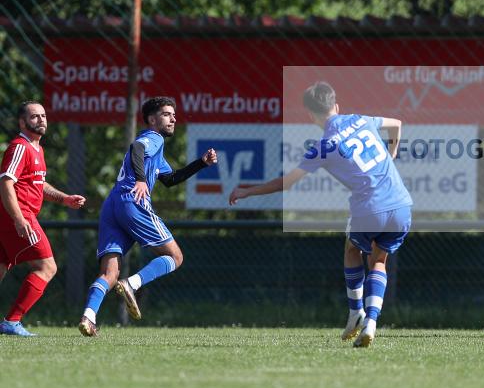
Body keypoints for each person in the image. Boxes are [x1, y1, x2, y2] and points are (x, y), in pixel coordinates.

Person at [229, 82, 412, 348]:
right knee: (379, 260)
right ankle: (371, 322)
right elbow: (396, 124)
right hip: (402, 204)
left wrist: (248, 191)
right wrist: (391, 152)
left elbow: (287, 183)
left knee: (352, 249)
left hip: (370, 208)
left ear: (311, 115)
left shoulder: (324, 146)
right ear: (336, 105)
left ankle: (356, 312)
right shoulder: (361, 119)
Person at [78, 97, 217, 336]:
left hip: (112, 204)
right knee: (175, 257)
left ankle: (88, 317)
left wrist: (201, 164)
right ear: (152, 120)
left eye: (174, 115)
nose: (173, 119)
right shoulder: (153, 138)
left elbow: (170, 179)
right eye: (166, 114)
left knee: (109, 273)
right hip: (132, 200)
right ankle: (131, 284)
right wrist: (141, 180)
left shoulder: (156, 150)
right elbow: (137, 148)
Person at [0, 102, 85, 336]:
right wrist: (18, 219)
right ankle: (12, 321)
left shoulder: (37, 149)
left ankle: (11, 322)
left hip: (13, 216)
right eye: (34, 116)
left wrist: (64, 199)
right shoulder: (20, 147)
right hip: (19, 215)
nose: (41, 120)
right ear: (22, 122)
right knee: (47, 267)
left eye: (43, 116)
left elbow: (38, 184)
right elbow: (6, 183)